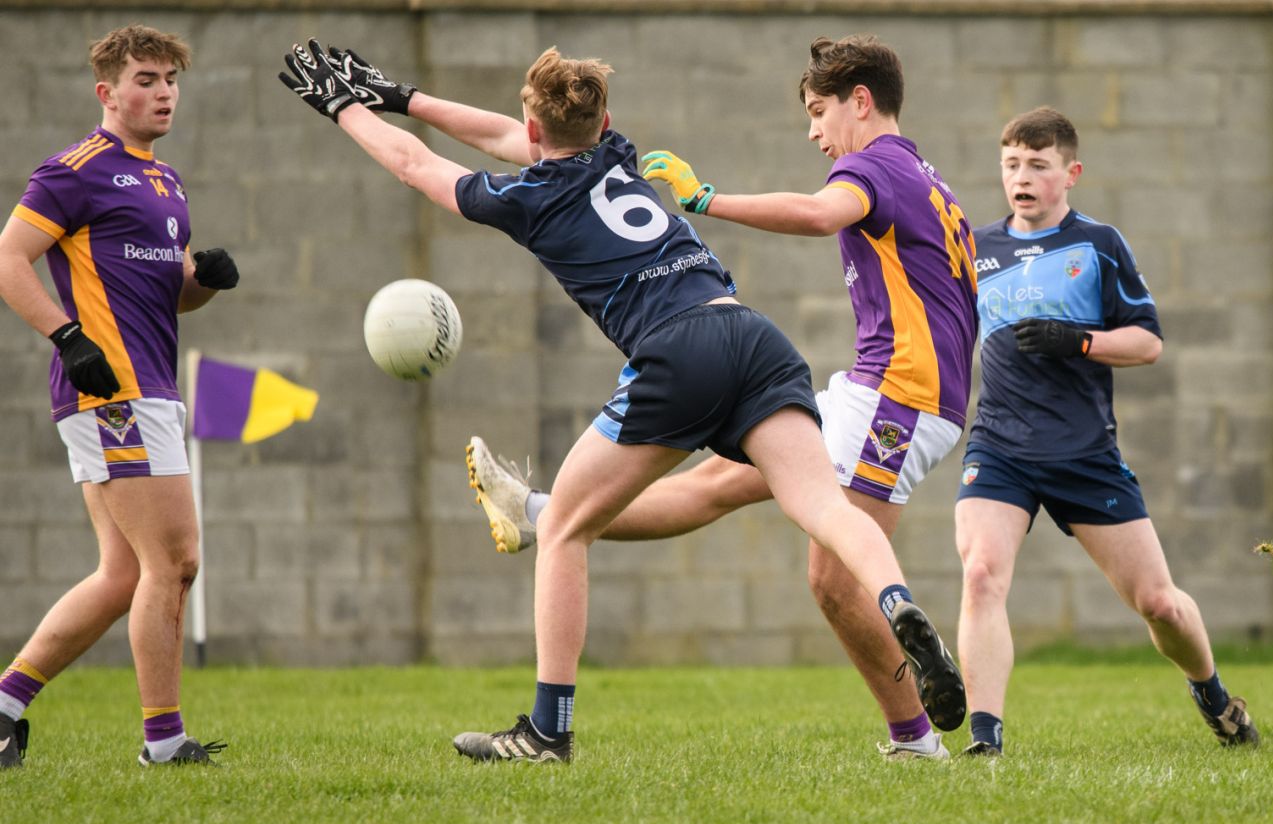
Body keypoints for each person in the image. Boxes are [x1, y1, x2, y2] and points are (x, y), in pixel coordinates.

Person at [279, 38, 965, 763]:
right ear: (604, 125)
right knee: (823, 508)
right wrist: (401, 94)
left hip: (678, 349)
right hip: (753, 334)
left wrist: (346, 108)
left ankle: (549, 730)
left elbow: (421, 164)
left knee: (568, 528)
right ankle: (899, 603)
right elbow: (511, 134)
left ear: (540, 135)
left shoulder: (529, 198)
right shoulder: (618, 157)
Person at [953, 106, 1259, 756]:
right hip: (999, 446)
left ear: (1071, 172)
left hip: (1085, 453)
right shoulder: (974, 248)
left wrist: (1079, 339)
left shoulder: (1098, 245)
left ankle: (1213, 694)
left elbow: (1148, 343)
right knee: (980, 573)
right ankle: (986, 740)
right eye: (1012, 165)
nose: (1022, 177)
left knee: (1159, 604)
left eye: (1038, 164)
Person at [0, 26, 236, 769]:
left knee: (125, 573)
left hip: (150, 387)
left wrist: (203, 280)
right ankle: (163, 742)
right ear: (107, 92)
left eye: (171, 79)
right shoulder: (76, 170)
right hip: (113, 394)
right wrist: (66, 335)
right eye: (145, 79)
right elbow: (9, 259)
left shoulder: (165, 181)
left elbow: (168, 299)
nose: (163, 91)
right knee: (177, 561)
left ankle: (4, 706)